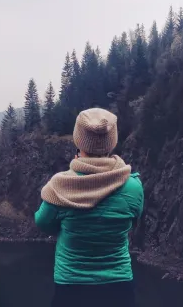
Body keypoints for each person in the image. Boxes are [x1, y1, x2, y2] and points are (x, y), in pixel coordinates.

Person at [35, 108, 144, 307]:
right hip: (119, 288)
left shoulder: (60, 187)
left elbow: (43, 223)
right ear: (112, 141)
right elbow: (134, 220)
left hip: (71, 287)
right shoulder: (133, 187)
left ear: (79, 140)